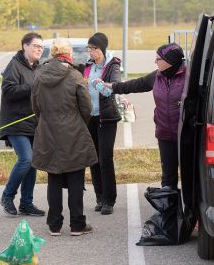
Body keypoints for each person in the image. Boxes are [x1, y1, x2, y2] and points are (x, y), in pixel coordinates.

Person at [31, 38, 98, 236]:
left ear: (52, 54)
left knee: (54, 176)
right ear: (68, 54)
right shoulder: (74, 75)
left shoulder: (39, 75)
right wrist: (78, 122)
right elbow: (86, 107)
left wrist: (46, 120)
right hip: (73, 131)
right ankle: (77, 224)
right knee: (76, 177)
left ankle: (54, 224)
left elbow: (35, 106)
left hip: (48, 130)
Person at [99, 43, 186, 190]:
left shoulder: (189, 76)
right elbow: (136, 84)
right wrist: (111, 86)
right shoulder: (157, 76)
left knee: (189, 176)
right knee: (168, 178)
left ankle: (188, 210)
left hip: (186, 136)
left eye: (158, 59)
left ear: (169, 61)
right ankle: (168, 210)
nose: (155, 62)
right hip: (164, 134)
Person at [0, 32, 45, 217]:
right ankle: (7, 196)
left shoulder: (38, 68)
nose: (39, 49)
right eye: (35, 46)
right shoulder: (14, 65)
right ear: (25, 46)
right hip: (15, 122)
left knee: (33, 162)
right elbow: (8, 91)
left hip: (33, 123)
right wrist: (33, 86)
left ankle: (26, 203)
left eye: (41, 47)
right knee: (26, 158)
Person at [83, 32, 122, 215]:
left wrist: (99, 85)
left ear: (103, 48)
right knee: (94, 158)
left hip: (107, 117)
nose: (91, 52)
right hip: (90, 116)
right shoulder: (88, 66)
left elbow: (112, 89)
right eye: (89, 48)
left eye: (95, 48)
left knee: (105, 158)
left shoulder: (112, 65)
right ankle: (99, 196)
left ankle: (109, 199)